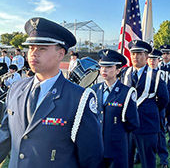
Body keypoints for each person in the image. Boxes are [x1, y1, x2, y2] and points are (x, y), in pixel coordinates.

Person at [0, 17, 103, 168]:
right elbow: (5, 136)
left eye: (42, 48)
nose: (33, 53)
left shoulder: (79, 98)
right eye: (31, 47)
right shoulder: (15, 89)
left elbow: (91, 156)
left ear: (61, 54)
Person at [121, 40, 169, 168]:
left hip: (147, 125)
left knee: (148, 161)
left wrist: (150, 109)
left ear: (147, 56)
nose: (135, 57)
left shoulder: (156, 75)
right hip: (127, 126)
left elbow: (164, 99)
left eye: (139, 53)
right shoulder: (124, 74)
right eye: (133, 54)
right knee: (126, 160)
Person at [92, 49, 139, 168]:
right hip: (97, 148)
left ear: (118, 70)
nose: (104, 70)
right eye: (102, 66)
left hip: (116, 148)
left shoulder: (126, 92)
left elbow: (132, 123)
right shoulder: (94, 90)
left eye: (108, 67)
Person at [148, 49, 170, 168]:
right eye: (150, 59)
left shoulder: (163, 74)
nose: (151, 61)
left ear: (158, 60)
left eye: (154, 59)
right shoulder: (143, 73)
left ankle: (163, 159)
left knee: (160, 134)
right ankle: (138, 156)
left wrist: (157, 108)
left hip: (158, 109)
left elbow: (167, 96)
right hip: (144, 110)